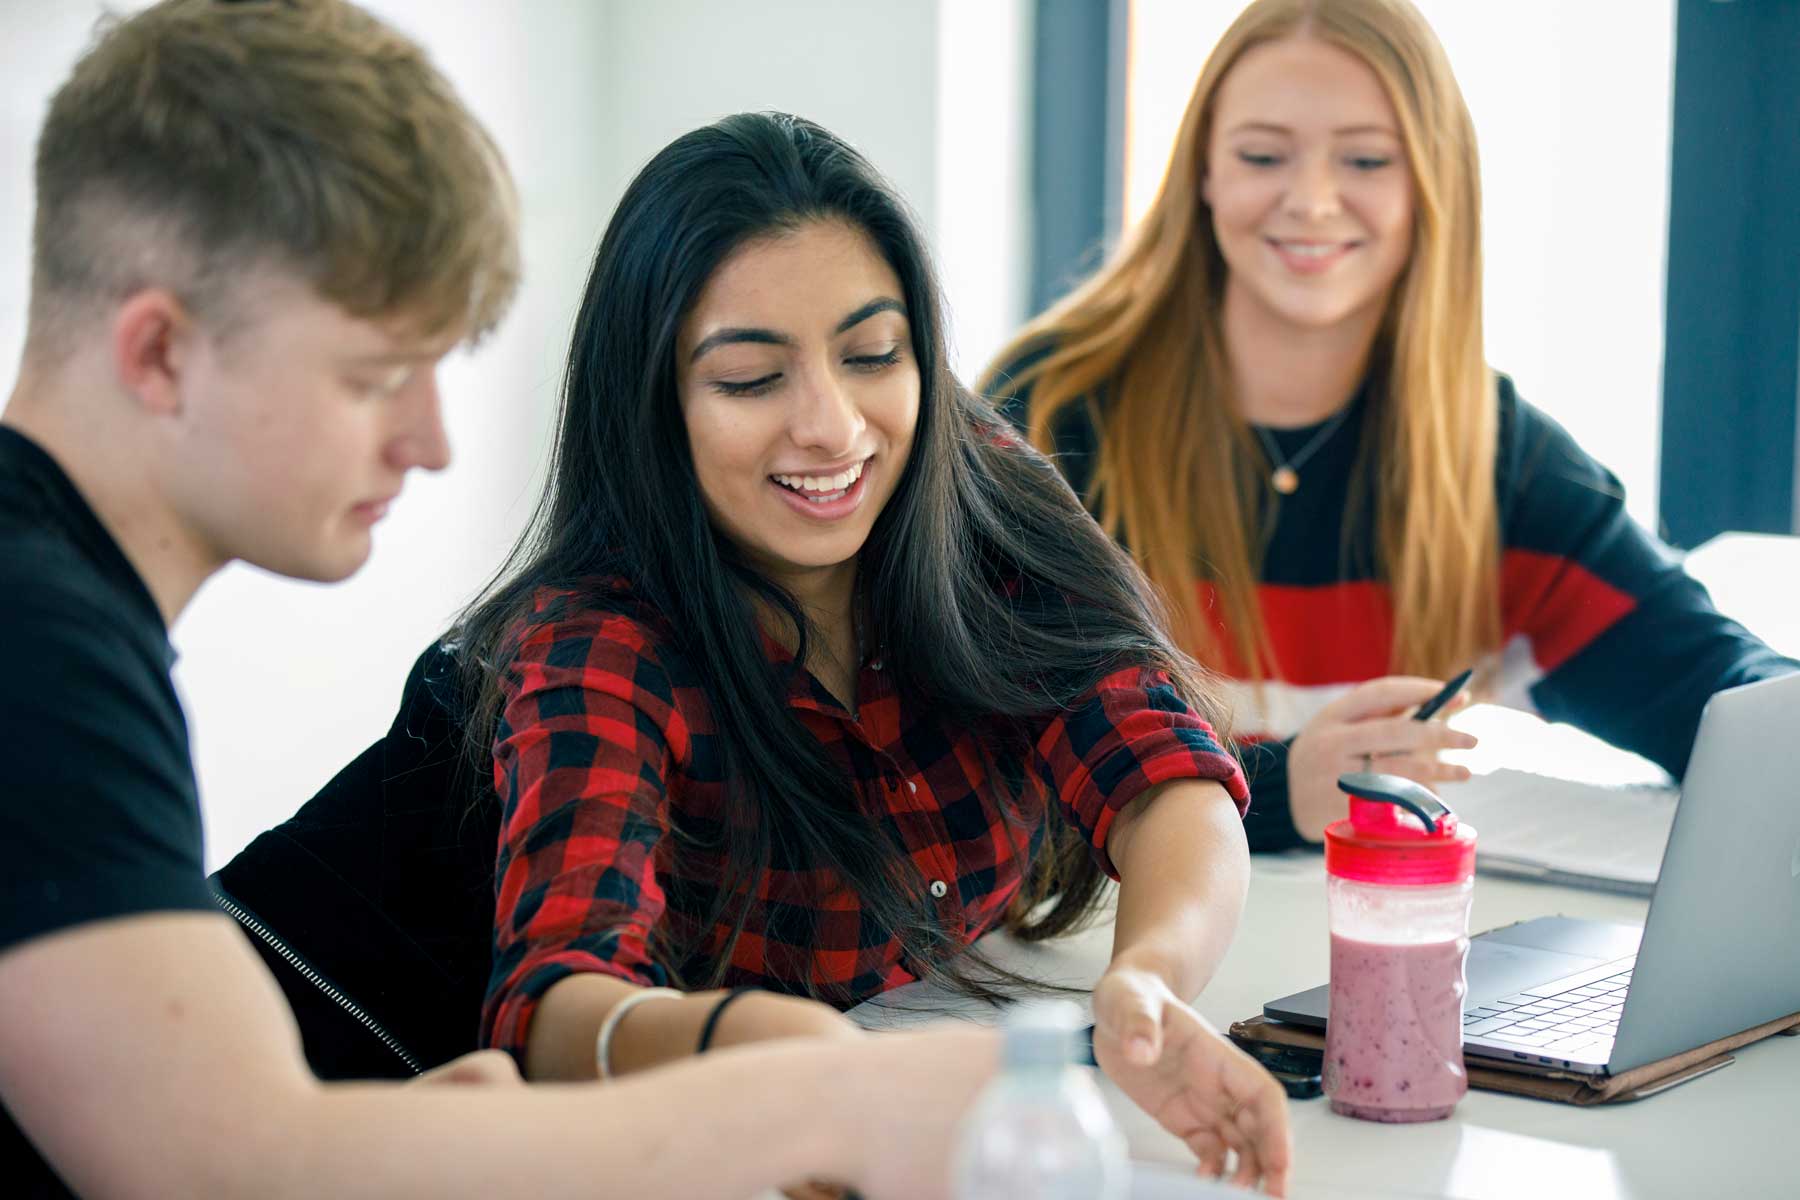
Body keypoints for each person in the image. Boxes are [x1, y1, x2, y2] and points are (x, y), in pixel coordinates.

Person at [0, 4, 1009, 1198]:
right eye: (376, 376)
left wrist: (403, 1138)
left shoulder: (63, 617)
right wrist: (818, 1103)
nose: (430, 442)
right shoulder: (36, 649)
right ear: (160, 353)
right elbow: (231, 1165)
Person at [377, 109, 1288, 1190]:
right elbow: (559, 1007)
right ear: (652, 407)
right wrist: (771, 1051)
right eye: (751, 378)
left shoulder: (972, 487)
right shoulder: (596, 641)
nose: (834, 426)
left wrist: (1147, 985)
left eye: (871, 356)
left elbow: (1161, 771)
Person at [984, 0, 1796, 850]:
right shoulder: (1044, 418)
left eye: (1367, 159)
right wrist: (1274, 790)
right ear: (1203, 174)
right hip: (1108, 935)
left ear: (1430, 184)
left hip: (1374, 924)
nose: (1312, 202)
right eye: (1262, 155)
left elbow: (1720, 694)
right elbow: (967, 769)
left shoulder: (1496, 462)